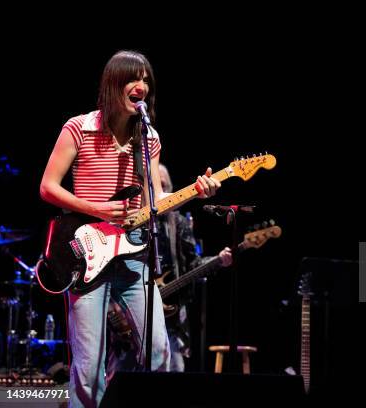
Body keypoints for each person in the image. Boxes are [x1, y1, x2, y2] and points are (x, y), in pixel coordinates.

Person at [39, 50, 221, 407]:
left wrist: (197, 192)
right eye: (133, 78)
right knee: (89, 368)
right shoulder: (79, 128)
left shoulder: (148, 139)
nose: (142, 86)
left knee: (159, 354)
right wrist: (97, 208)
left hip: (133, 253)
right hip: (87, 252)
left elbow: (156, 201)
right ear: (113, 84)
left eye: (147, 80)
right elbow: (48, 187)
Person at [155, 163, 232, 372]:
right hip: (130, 321)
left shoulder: (178, 223)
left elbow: (193, 264)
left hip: (172, 322)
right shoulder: (134, 222)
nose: (158, 189)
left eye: (163, 186)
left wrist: (218, 260)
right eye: (154, 186)